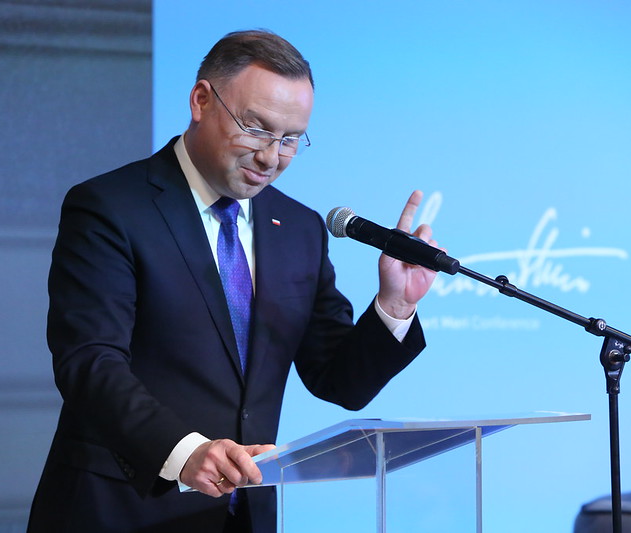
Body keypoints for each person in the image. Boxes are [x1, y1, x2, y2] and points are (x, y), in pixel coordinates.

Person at [28, 29, 439, 533]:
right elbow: (90, 362)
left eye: (291, 139)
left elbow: (339, 381)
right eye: (257, 129)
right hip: (119, 510)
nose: (271, 157)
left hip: (243, 516)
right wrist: (184, 452)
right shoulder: (110, 207)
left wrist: (395, 305)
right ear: (201, 100)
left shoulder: (300, 228)